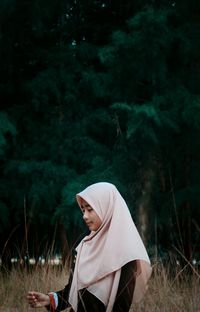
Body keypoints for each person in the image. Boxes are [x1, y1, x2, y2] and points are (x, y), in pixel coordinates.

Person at [27, 182, 151, 312]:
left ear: (107, 208)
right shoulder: (85, 247)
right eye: (83, 210)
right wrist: (49, 299)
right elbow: (72, 292)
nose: (84, 216)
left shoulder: (126, 255)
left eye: (90, 209)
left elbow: (121, 306)